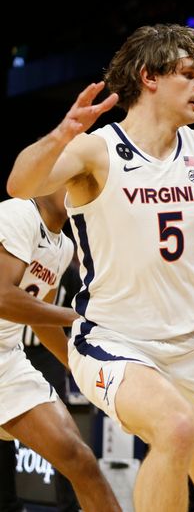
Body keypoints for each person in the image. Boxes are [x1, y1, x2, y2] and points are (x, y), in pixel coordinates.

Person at [7, 24, 194, 512]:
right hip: (115, 339)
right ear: (150, 76)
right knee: (174, 427)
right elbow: (20, 183)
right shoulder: (96, 149)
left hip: (189, 344)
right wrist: (63, 133)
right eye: (189, 73)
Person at [0, 190, 120, 512]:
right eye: (66, 177)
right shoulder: (17, 215)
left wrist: (76, 364)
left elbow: (39, 317)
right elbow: (2, 298)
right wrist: (78, 315)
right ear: (43, 181)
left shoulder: (65, 246)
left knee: (81, 461)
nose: (74, 187)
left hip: (7, 359)